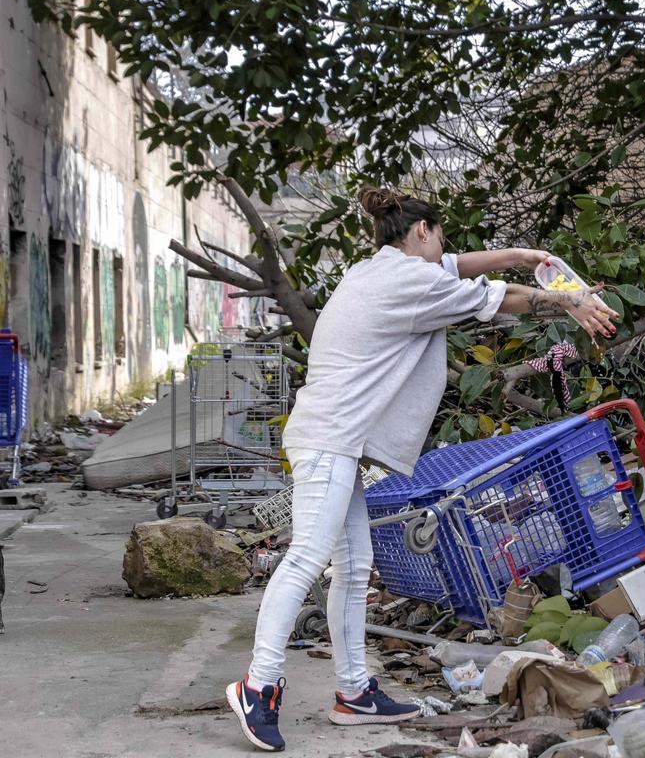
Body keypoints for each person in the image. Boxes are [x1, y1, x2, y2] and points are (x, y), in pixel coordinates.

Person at [226, 188, 618, 752]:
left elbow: (465, 268)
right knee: (307, 558)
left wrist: (520, 255)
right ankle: (258, 685)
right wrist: (568, 301)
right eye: (440, 237)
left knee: (354, 564)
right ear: (421, 233)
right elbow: (499, 298)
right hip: (331, 440)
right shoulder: (412, 283)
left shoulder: (377, 269)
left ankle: (354, 692)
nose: (446, 250)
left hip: (338, 441)